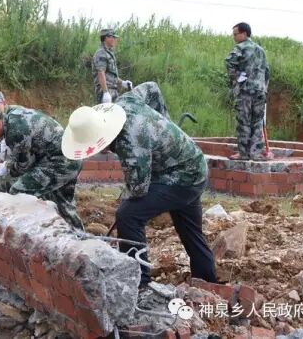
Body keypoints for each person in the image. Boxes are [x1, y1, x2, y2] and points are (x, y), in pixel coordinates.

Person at [62, 89, 217, 288]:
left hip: (183, 178)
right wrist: (164, 126)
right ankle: (207, 282)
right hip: (193, 164)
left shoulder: (130, 142)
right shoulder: (125, 102)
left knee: (128, 215)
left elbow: (138, 188)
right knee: (190, 230)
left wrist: (128, 192)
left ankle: (138, 282)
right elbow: (152, 88)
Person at [0, 102, 85, 230]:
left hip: (61, 162)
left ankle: (26, 230)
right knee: (63, 203)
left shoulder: (15, 132)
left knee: (19, 191)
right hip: (67, 156)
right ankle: (78, 235)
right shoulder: (11, 114)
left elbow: (23, 167)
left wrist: (7, 168)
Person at [225, 22, 270, 161]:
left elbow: (229, 62)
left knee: (243, 122)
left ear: (244, 33)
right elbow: (267, 71)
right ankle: (255, 153)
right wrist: (264, 87)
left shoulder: (241, 47)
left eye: (235, 34)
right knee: (257, 122)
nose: (234, 37)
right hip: (260, 91)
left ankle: (243, 153)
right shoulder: (261, 50)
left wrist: (237, 78)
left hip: (245, 91)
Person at [92, 28, 133, 104]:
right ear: (106, 38)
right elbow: (101, 73)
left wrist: (123, 83)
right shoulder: (101, 53)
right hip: (105, 91)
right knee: (106, 112)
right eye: (113, 37)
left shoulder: (109, 53)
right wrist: (105, 92)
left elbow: (111, 75)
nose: (114, 39)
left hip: (113, 91)